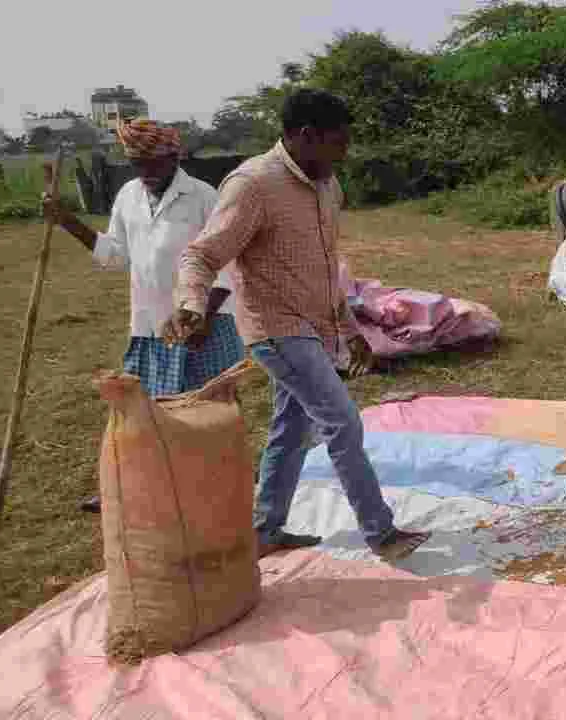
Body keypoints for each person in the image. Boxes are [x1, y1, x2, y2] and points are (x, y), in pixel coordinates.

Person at [163, 89, 427, 560]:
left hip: (315, 327)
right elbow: (202, 254)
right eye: (337, 144)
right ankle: (381, 532)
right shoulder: (253, 185)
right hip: (275, 328)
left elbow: (327, 271)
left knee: (290, 431)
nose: (343, 154)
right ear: (305, 136)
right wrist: (191, 304)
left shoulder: (328, 186)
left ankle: (265, 531)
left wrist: (351, 331)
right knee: (343, 423)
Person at [41, 118, 244, 514]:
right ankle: (130, 486)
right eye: (137, 163)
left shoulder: (202, 196)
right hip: (151, 327)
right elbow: (116, 256)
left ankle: (212, 487)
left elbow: (227, 264)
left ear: (174, 156)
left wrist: (201, 313)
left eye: (153, 162)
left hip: (207, 324)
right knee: (141, 414)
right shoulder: (128, 196)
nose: (146, 172)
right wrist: (68, 221)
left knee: (206, 415)